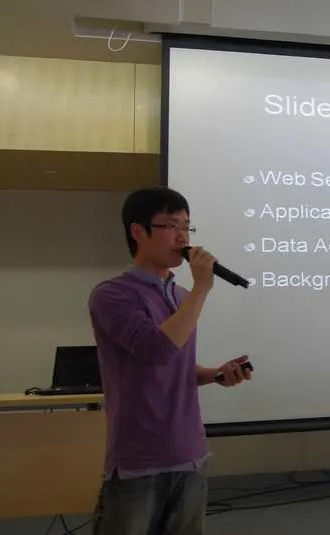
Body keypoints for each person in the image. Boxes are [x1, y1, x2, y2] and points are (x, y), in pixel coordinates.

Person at [88, 186, 252, 535]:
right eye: (171, 225)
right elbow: (156, 350)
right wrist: (202, 288)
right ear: (138, 231)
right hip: (139, 460)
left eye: (187, 226)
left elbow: (172, 367)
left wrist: (215, 374)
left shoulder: (180, 295)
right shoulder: (112, 295)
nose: (183, 237)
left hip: (190, 453)